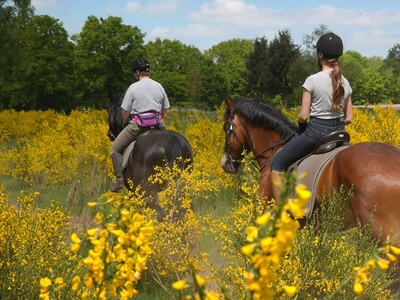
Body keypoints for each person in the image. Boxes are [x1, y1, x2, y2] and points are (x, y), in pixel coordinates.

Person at [270, 32, 353, 200]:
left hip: (316, 133)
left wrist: (302, 124)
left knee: (276, 163)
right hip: (340, 134)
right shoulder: (345, 81)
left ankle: (281, 212)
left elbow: (303, 115)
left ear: (320, 54)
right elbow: (349, 118)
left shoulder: (312, 80)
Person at [110, 57, 170, 192]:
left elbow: (125, 111)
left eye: (133, 73)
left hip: (138, 126)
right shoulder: (158, 86)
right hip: (158, 124)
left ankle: (119, 181)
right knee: (170, 146)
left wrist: (125, 122)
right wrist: (158, 118)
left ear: (137, 72)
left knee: (114, 150)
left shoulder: (133, 88)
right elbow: (165, 108)